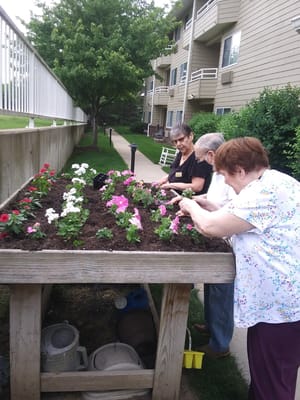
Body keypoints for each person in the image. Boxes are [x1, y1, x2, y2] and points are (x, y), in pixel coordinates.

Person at [178, 137, 300, 400]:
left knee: (273, 384)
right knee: (270, 376)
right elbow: (249, 220)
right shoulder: (276, 181)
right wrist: (213, 207)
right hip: (280, 305)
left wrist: (189, 205)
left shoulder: (262, 193)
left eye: (224, 175)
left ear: (241, 171)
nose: (225, 182)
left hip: (281, 308)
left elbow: (211, 228)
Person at [191, 133, 236, 359]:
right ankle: (211, 326)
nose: (201, 163)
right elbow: (215, 197)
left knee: (222, 294)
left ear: (211, 154)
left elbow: (231, 209)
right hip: (217, 237)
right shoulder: (218, 173)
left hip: (229, 243)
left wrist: (203, 207)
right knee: (211, 287)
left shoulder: (233, 174)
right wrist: (200, 198)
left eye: (201, 158)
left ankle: (220, 345)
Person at [156, 123, 212, 195]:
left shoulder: (200, 158)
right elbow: (178, 172)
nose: (178, 144)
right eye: (175, 141)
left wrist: (171, 185)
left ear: (191, 136)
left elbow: (197, 187)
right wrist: (165, 179)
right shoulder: (181, 153)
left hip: (192, 202)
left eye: (181, 139)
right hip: (177, 197)